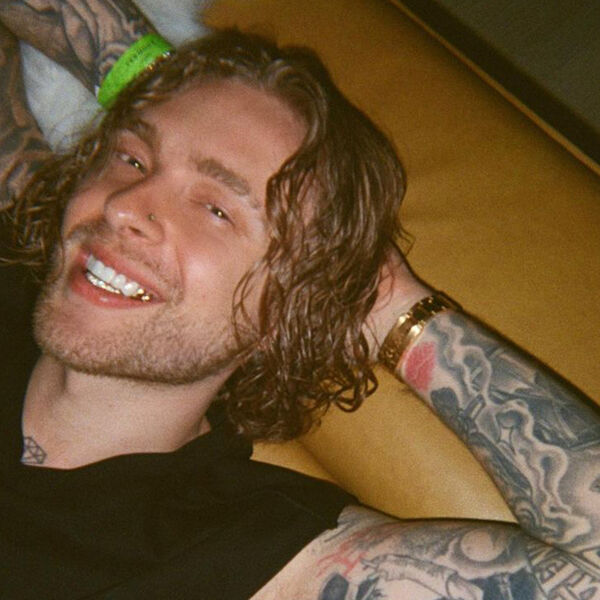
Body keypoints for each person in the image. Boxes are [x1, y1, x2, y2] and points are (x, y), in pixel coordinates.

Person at [0, 2, 598, 599]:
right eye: (132, 158)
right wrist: (160, 80)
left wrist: (390, 304)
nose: (123, 206)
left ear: (289, 312)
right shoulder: (19, 245)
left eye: (215, 210)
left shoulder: (249, 550)